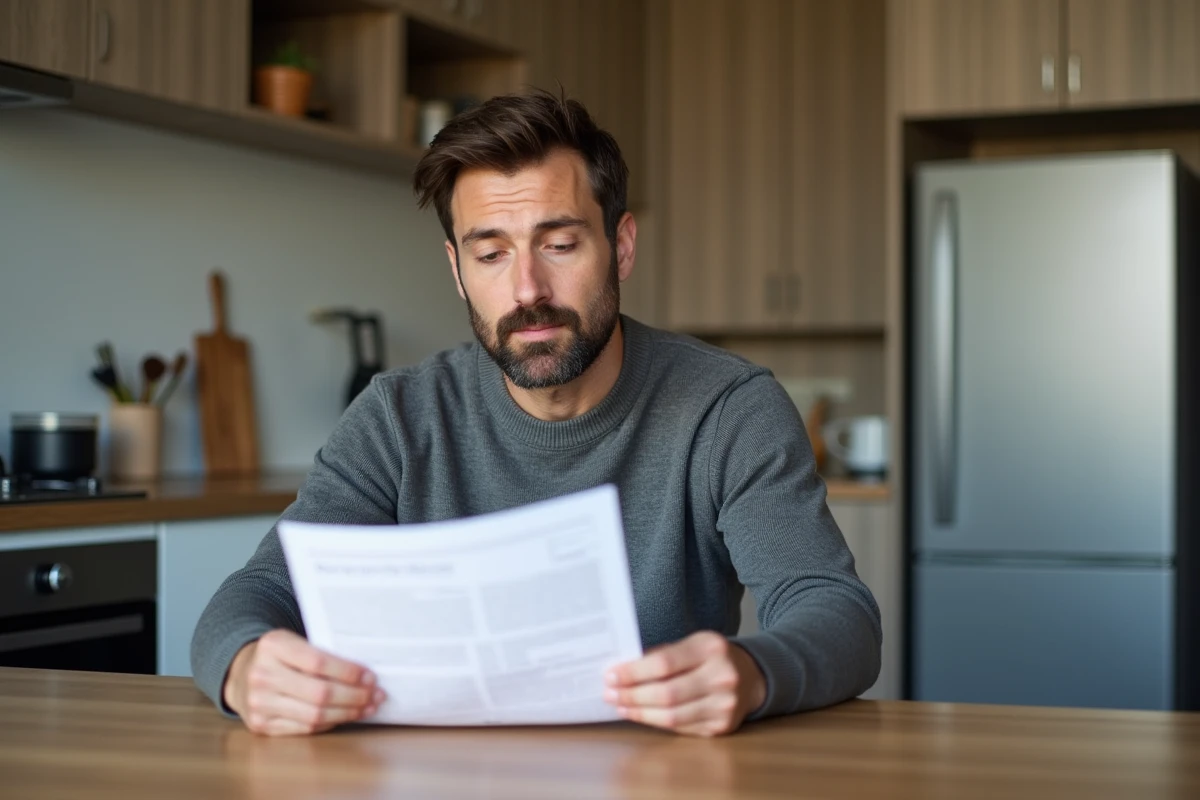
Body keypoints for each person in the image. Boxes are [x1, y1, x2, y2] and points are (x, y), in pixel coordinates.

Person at [191, 89, 881, 738]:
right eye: (491, 253)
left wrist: (753, 675)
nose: (527, 290)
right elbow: (256, 592)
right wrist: (247, 667)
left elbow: (837, 614)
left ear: (623, 246)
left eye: (560, 244)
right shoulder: (397, 418)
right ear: (458, 270)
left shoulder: (727, 409)